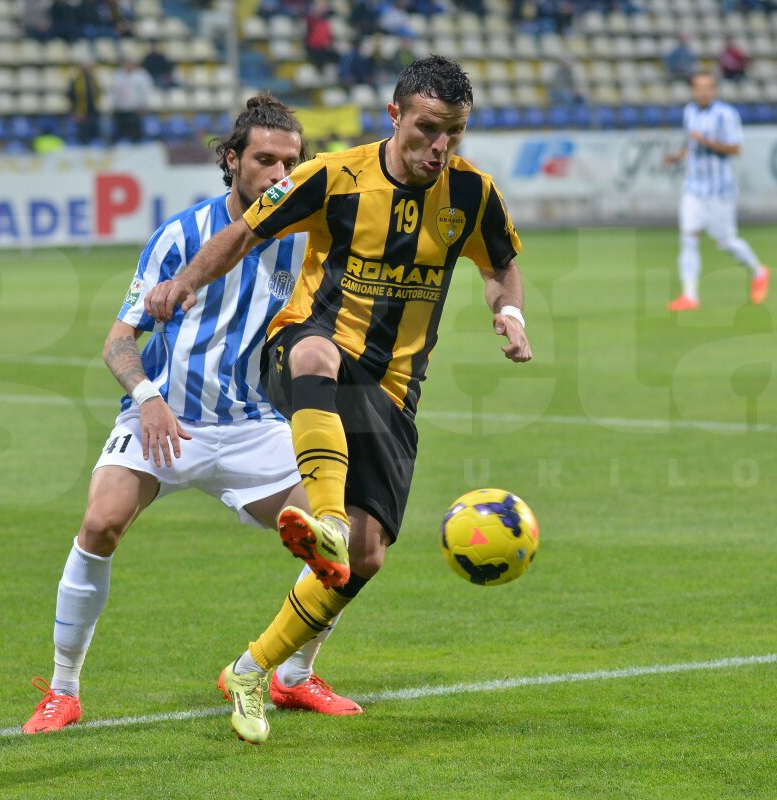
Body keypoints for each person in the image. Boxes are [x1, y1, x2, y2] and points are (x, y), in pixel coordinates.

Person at [146, 55, 532, 745]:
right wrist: (186, 283)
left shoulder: (473, 194)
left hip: (395, 390)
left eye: (455, 133)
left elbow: (501, 264)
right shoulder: (335, 177)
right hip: (303, 348)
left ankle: (251, 670)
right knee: (319, 351)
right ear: (395, 117)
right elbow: (242, 233)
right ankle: (321, 515)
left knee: (367, 554)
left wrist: (510, 313)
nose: (440, 148)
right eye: (428, 129)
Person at [21, 93, 364, 736]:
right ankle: (62, 690)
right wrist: (147, 399)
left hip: (253, 424)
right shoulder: (179, 236)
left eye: (291, 162)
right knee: (99, 525)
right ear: (232, 160)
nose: (279, 174)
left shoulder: (309, 242)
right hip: (165, 418)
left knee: (344, 542)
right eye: (265, 159)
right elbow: (119, 340)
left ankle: (292, 677)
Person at [664, 72, 770, 311]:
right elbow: (691, 144)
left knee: (726, 242)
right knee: (688, 237)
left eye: (707, 88)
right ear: (693, 90)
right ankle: (690, 296)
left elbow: (734, 148)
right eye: (698, 88)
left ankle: (759, 271)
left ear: (714, 90)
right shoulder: (689, 112)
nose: (703, 92)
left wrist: (706, 142)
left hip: (719, 190)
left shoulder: (726, 114)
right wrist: (677, 156)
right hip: (693, 187)